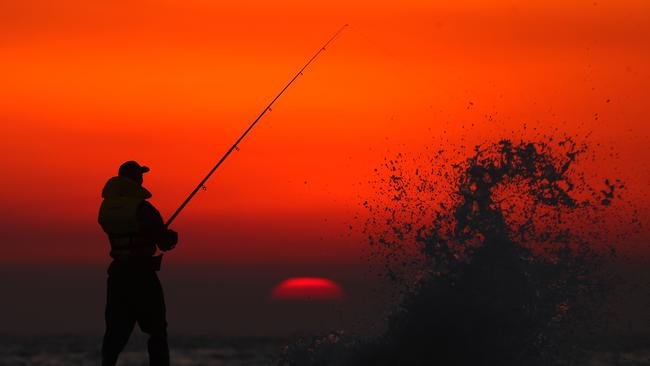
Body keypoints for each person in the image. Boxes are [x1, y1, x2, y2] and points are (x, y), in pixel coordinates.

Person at [98, 160, 178, 366]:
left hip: (117, 275)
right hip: (142, 275)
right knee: (157, 329)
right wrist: (171, 237)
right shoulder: (143, 208)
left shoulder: (107, 208)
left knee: (115, 332)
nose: (142, 180)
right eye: (140, 176)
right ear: (135, 180)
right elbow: (164, 242)